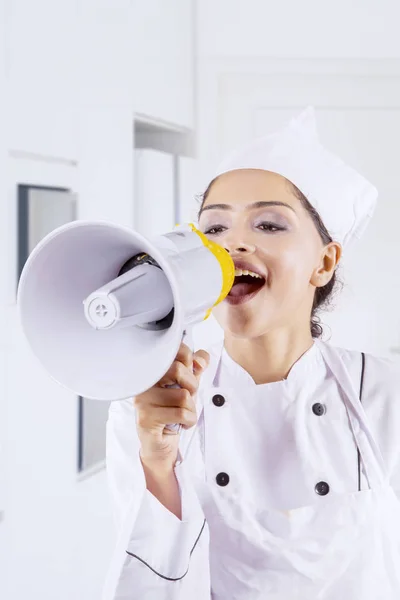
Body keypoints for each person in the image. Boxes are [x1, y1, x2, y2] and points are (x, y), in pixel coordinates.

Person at [102, 108, 400, 600]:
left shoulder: (387, 396)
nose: (234, 243)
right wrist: (158, 463)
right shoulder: (144, 408)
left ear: (324, 262)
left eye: (268, 224)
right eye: (214, 229)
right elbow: (144, 584)